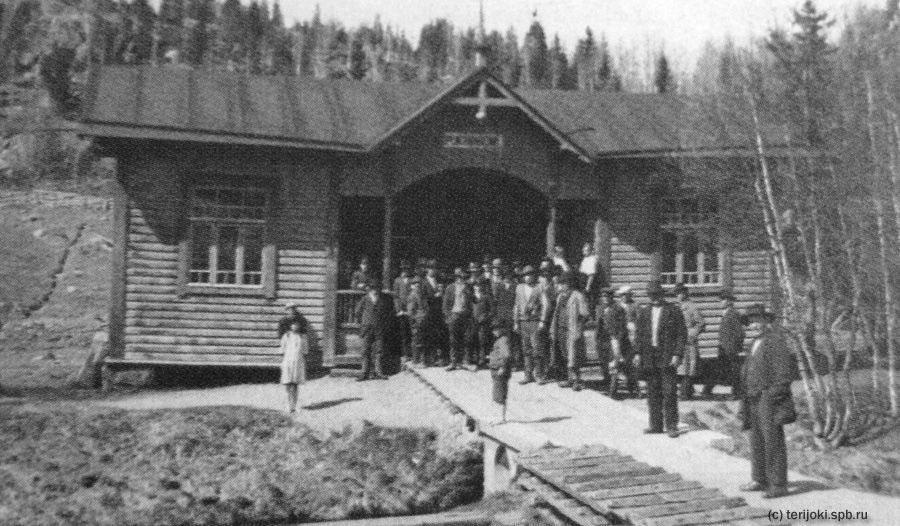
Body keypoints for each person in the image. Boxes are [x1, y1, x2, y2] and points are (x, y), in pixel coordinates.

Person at [740, 303, 798, 499]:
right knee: (756, 439)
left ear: (766, 321)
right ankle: (759, 478)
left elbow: (784, 373)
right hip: (753, 396)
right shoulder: (754, 343)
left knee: (773, 440)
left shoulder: (776, 341)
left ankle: (778, 484)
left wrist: (774, 394)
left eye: (758, 320)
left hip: (768, 397)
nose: (755, 324)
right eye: (751, 321)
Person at [634, 280, 687, 438]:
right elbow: (639, 334)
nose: (654, 298)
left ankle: (672, 425)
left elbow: (681, 334)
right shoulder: (644, 312)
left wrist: (677, 354)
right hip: (650, 357)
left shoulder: (673, 310)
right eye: (651, 295)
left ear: (662, 295)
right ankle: (656, 425)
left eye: (656, 295)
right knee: (652, 391)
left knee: (669, 391)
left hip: (667, 356)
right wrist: (637, 353)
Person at [550, 272, 590, 391]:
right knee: (565, 354)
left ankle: (577, 380)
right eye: (559, 284)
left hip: (572, 330)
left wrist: (579, 328)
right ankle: (570, 378)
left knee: (573, 356)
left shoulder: (578, 296)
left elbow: (585, 314)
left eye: (562, 284)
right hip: (561, 329)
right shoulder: (560, 296)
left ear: (569, 284)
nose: (560, 286)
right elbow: (556, 313)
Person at [705, 290, 745, 399]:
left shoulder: (732, 314)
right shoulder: (727, 313)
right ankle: (708, 390)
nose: (721, 302)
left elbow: (740, 332)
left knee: (733, 371)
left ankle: (737, 393)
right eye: (721, 299)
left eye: (723, 299)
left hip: (730, 349)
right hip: (723, 347)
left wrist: (734, 346)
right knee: (721, 368)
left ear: (729, 301)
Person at [599, 287, 635, 399]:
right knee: (609, 363)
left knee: (618, 364)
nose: (605, 299)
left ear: (611, 297)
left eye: (607, 296)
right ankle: (615, 388)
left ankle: (615, 391)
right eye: (603, 296)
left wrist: (618, 340)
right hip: (606, 340)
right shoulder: (601, 308)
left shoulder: (618, 309)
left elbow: (622, 327)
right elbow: (600, 326)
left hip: (617, 340)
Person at [674, 283, 706, 400]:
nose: (678, 295)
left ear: (685, 293)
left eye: (681, 293)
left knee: (688, 368)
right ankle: (687, 389)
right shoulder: (677, 307)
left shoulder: (692, 307)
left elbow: (701, 324)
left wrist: (691, 334)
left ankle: (685, 393)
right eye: (677, 293)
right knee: (679, 367)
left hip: (688, 342)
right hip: (677, 341)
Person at [514, 265, 546, 384]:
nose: (528, 277)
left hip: (535, 321)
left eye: (530, 275)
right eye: (525, 275)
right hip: (523, 322)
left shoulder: (539, 287)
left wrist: (542, 320)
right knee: (526, 349)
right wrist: (516, 322)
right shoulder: (519, 288)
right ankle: (528, 374)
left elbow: (545, 304)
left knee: (537, 348)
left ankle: (539, 374)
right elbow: (516, 305)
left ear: (534, 276)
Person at [355, 279, 391, 381]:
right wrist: (361, 325)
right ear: (369, 289)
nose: (375, 291)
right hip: (367, 329)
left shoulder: (383, 299)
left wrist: (384, 324)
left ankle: (378, 372)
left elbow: (386, 314)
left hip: (379, 328)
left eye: (377, 289)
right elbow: (357, 312)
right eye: (373, 289)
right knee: (365, 350)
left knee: (379, 351)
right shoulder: (365, 299)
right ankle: (364, 373)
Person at [443, 268, 473, 370]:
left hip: (465, 316)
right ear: (456, 278)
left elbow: (473, 301)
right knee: (453, 340)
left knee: (466, 338)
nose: (461, 279)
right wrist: (448, 316)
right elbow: (445, 304)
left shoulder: (468, 288)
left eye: (463, 278)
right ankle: (453, 362)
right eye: (459, 277)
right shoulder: (450, 288)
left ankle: (465, 361)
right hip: (454, 315)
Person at [279, 319, 309, 412]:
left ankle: (294, 406)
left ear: (300, 326)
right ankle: (289, 405)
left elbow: (305, 350)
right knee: (288, 383)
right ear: (290, 326)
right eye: (293, 325)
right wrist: (283, 363)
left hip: (298, 361)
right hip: (288, 361)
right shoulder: (286, 336)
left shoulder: (303, 337)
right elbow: (282, 350)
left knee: (295, 384)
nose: (295, 326)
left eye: (297, 324)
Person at [489, 318, 514, 424]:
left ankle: (501, 418)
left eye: (496, 329)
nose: (493, 331)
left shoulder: (503, 340)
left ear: (501, 329)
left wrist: (502, 367)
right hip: (496, 370)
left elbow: (507, 355)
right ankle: (499, 417)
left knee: (500, 395)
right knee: (497, 394)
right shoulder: (500, 339)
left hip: (500, 370)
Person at [534, 267, 556, 384]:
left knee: (547, 347)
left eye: (548, 277)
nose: (545, 279)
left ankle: (546, 370)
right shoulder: (538, 288)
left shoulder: (553, 288)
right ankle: (539, 373)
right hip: (539, 320)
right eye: (543, 276)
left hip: (550, 321)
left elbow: (550, 306)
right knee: (539, 347)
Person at [469, 279, 495, 369]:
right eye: (475, 286)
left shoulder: (486, 297)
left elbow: (492, 311)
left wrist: (485, 317)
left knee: (482, 341)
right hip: (473, 322)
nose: (477, 288)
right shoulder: (471, 297)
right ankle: (474, 359)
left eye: (479, 286)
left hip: (483, 323)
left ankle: (482, 360)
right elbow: (469, 309)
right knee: (473, 340)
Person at [393, 261, 414, 363]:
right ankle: (404, 354)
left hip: (410, 309)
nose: (404, 272)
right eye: (403, 270)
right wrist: (399, 310)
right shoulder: (397, 281)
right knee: (403, 332)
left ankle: (413, 354)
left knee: (412, 331)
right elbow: (396, 296)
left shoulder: (412, 280)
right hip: (401, 310)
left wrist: (411, 309)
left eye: (406, 270)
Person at [579, 242, 602, 312]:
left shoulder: (592, 259)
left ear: (591, 251)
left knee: (590, 302)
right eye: (583, 251)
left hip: (589, 284)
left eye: (586, 251)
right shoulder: (585, 259)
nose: (584, 252)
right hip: (583, 282)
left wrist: (588, 287)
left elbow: (591, 275)